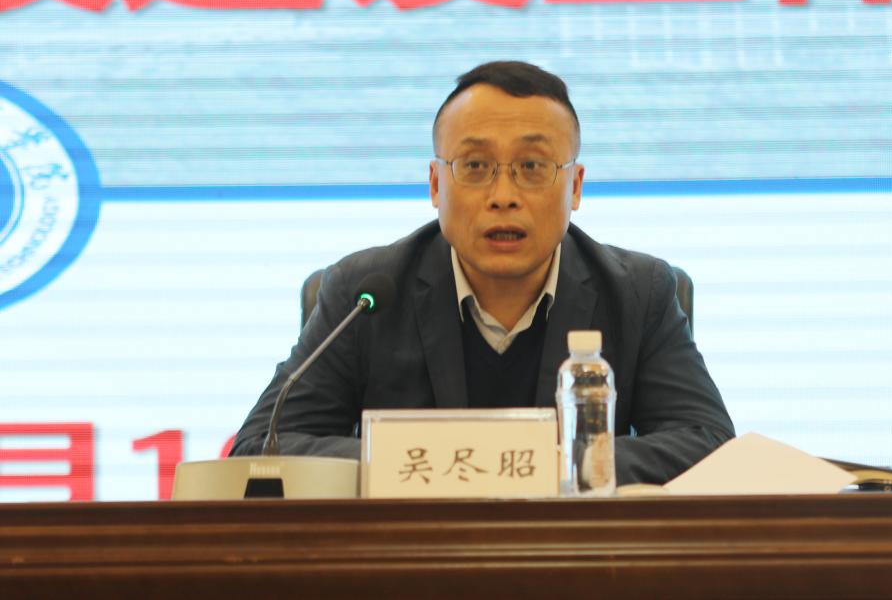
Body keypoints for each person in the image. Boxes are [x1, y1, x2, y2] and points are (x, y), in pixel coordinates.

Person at [230, 61, 734, 485]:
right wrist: (445, 464)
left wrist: (547, 465)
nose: (503, 196)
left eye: (532, 167)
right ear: (435, 184)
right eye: (474, 166)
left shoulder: (638, 292)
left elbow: (709, 445)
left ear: (575, 187)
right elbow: (260, 446)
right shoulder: (365, 292)